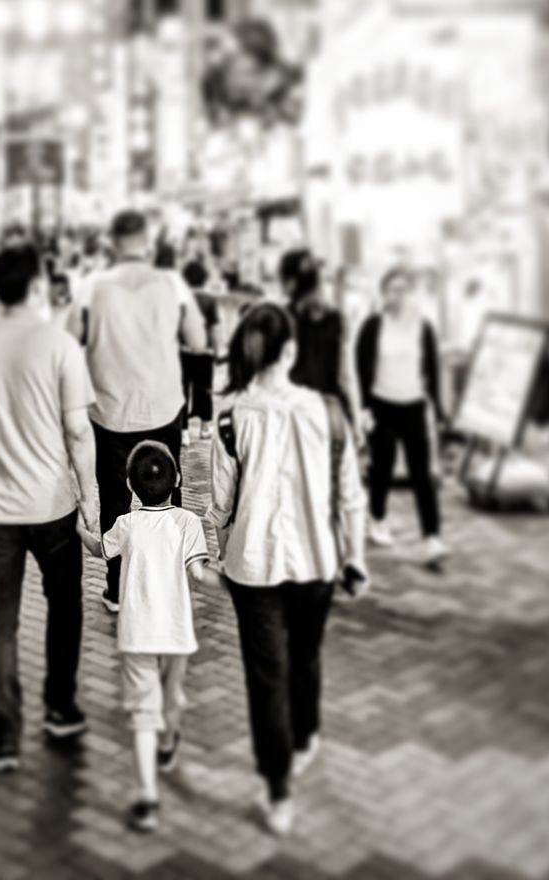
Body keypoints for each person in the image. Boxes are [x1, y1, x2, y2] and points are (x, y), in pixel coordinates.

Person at [207, 303, 367, 837]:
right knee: (306, 654)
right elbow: (351, 495)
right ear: (292, 351)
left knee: (265, 675)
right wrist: (357, 557)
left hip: (251, 566)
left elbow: (220, 501)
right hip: (318, 559)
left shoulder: (230, 415)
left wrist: (213, 548)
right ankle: (306, 737)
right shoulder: (328, 410)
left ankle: (278, 791)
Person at [0, 244, 99, 772]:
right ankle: (60, 707)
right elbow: (78, 430)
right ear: (37, 284)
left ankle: (4, 736)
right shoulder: (60, 345)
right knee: (65, 605)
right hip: (53, 503)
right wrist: (90, 500)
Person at [67, 209, 207, 615]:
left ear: (113, 243)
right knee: (169, 497)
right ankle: (170, 582)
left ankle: (116, 590)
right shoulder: (173, 284)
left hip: (108, 411)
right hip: (162, 408)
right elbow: (198, 340)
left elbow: (68, 340)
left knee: (113, 501)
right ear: (147, 242)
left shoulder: (92, 286)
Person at [77, 441, 220, 833]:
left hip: (138, 632)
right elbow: (200, 574)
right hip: (175, 631)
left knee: (143, 713)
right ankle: (169, 742)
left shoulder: (127, 524)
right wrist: (232, 583)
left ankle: (146, 798)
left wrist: (80, 526)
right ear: (176, 481)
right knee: (172, 695)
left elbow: (97, 550)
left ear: (129, 484)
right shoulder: (188, 524)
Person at [356, 266, 449, 566]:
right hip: (382, 404)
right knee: (381, 467)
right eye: (392, 289)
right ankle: (377, 517)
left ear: (410, 293)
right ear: (384, 293)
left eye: (403, 289)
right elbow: (360, 366)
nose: (398, 295)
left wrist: (438, 410)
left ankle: (432, 538)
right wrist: (364, 408)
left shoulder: (424, 327)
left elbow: (432, 370)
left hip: (413, 406)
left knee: (422, 473)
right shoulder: (373, 325)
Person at [279, 249, 361, 425]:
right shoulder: (337, 319)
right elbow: (346, 376)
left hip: (292, 410)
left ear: (291, 283)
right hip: (327, 411)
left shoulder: (281, 318)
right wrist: (356, 419)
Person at [180, 259, 219, 440]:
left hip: (183, 351)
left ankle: (184, 431)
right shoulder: (210, 300)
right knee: (205, 389)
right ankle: (205, 427)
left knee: (182, 391)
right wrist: (216, 350)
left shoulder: (181, 299)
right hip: (204, 353)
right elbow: (214, 329)